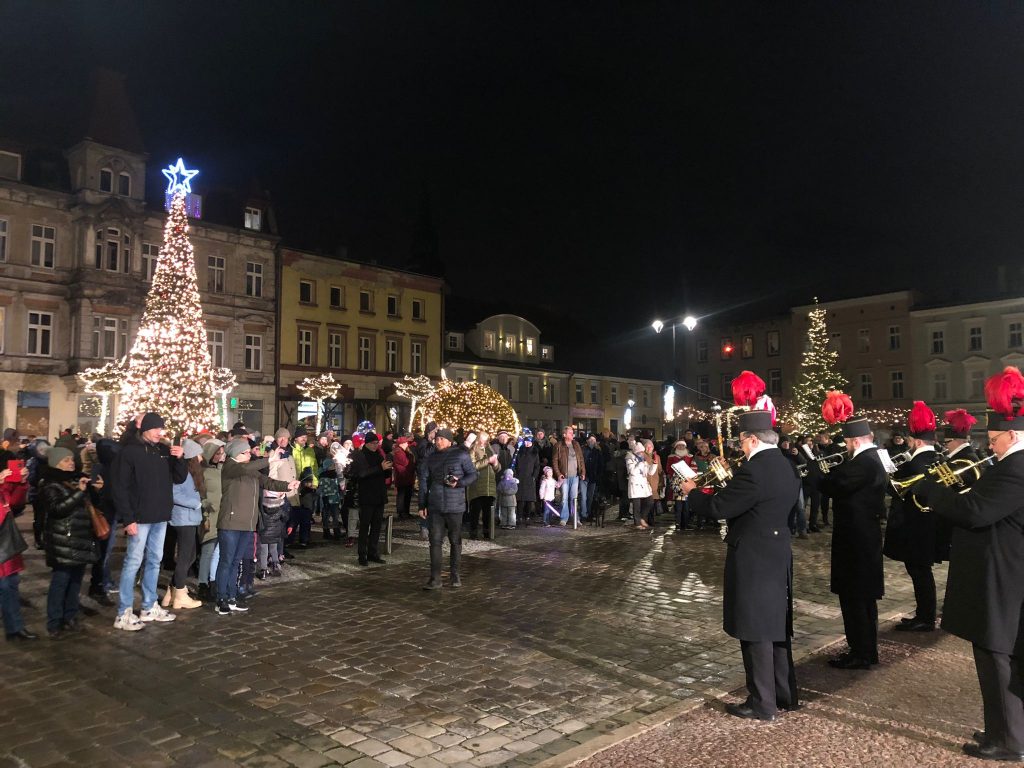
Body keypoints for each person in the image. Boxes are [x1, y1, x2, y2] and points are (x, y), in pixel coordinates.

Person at [913, 366, 1024, 762]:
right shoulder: (1009, 466)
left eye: (993, 440)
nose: (989, 446)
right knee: (996, 656)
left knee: (997, 657)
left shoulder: (1016, 468)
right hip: (1000, 573)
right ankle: (1001, 728)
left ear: (1011, 435)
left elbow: (976, 512)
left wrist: (932, 490)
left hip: (1001, 577)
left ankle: (1008, 740)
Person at [683, 402, 800, 722]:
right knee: (776, 627)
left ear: (751, 439)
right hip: (777, 551)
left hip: (754, 556)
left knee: (755, 629)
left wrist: (693, 492)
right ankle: (783, 693)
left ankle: (762, 702)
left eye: (741, 442)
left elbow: (720, 507)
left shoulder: (754, 470)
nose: (740, 447)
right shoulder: (786, 464)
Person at [818, 393, 887, 670]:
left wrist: (821, 473)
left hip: (856, 541)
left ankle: (861, 652)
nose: (845, 446)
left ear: (855, 440)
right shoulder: (873, 459)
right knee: (863, 600)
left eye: (846, 442)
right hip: (863, 536)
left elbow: (832, 485)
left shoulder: (863, 462)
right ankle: (865, 649)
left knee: (855, 599)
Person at [110, 413, 187, 631]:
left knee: (155, 560)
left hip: (160, 516)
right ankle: (124, 611)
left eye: (161, 429)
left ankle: (149, 605)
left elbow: (179, 478)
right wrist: (128, 518)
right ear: (144, 429)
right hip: (139, 517)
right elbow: (120, 487)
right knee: (133, 561)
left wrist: (180, 459)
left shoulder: (163, 451)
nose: (159, 433)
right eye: (155, 429)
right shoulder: (130, 452)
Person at [883, 401, 947, 633]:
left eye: (910, 441)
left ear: (917, 441)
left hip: (915, 526)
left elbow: (894, 488)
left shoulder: (917, 462)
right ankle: (923, 614)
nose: (908, 444)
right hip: (929, 523)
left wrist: (891, 472)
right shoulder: (938, 458)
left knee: (920, 573)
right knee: (922, 572)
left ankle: (925, 617)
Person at [216, 440, 298, 614]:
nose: (249, 455)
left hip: (247, 523)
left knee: (236, 562)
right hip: (231, 523)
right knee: (226, 561)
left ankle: (231, 596)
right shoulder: (231, 467)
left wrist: (287, 486)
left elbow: (267, 482)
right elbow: (245, 469)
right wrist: (269, 459)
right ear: (236, 453)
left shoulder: (250, 469)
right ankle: (221, 597)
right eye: (245, 452)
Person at [38, 447, 99, 639]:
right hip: (62, 540)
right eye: (66, 460)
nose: (71, 463)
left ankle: (70, 616)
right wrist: (80, 492)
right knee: (60, 582)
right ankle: (54, 622)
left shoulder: (75, 479)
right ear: (56, 463)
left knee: (75, 581)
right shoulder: (50, 484)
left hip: (79, 538)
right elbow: (58, 508)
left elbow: (89, 505)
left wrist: (95, 490)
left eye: (71, 459)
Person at [418, 428, 478, 589]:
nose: (438, 442)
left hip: (455, 506)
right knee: (435, 542)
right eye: (436, 439)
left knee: (455, 541)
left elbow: (473, 474)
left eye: (441, 439)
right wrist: (422, 505)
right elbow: (423, 481)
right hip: (435, 505)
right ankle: (435, 578)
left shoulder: (461, 455)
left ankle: (455, 575)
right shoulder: (430, 458)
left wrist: (458, 482)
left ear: (449, 441)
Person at [161, 439, 204, 610]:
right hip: (184, 518)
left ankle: (171, 592)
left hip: (189, 518)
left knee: (190, 555)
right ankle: (180, 593)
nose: (202, 457)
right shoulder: (183, 472)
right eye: (199, 454)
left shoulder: (190, 472)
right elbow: (174, 494)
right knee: (186, 556)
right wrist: (197, 503)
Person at [0, 467, 36, 641]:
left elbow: (13, 504)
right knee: (7, 586)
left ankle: (15, 628)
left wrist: (20, 484)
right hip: (3, 546)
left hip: (6, 545)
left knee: (11, 585)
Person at [348, 432, 392, 566]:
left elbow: (383, 474)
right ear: (367, 443)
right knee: (365, 526)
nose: (375, 445)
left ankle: (373, 552)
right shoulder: (360, 456)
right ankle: (362, 554)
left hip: (379, 495)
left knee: (377, 526)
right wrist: (380, 468)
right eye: (373, 443)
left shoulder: (378, 455)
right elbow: (362, 473)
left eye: (376, 443)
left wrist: (388, 469)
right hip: (367, 496)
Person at [197, 439, 225, 600]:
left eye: (222, 452)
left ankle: (214, 580)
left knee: (218, 551)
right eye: (217, 452)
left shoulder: (222, 469)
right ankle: (202, 583)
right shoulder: (203, 471)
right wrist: (205, 509)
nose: (220, 456)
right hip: (209, 515)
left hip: (222, 515)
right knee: (207, 550)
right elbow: (200, 493)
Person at [465, 431, 498, 538]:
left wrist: (496, 463)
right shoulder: (473, 449)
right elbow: (472, 466)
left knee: (488, 513)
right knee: (475, 512)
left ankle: (487, 532)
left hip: (490, 487)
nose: (484, 442)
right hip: (477, 486)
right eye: (482, 440)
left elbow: (498, 468)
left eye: (486, 440)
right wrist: (487, 461)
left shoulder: (490, 449)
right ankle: (473, 532)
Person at [552, 426, 586, 525]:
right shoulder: (558, 445)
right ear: (564, 435)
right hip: (564, 477)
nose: (572, 434)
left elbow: (581, 459)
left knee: (574, 498)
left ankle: (576, 518)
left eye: (572, 432)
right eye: (570, 433)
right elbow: (554, 461)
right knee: (564, 498)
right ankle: (564, 518)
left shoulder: (576, 444)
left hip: (575, 476)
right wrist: (558, 474)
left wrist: (583, 472)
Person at [514, 434, 539, 526]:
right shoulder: (519, 452)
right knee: (520, 499)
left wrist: (534, 476)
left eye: (529, 442)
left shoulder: (534, 452)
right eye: (526, 441)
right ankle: (519, 516)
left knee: (529, 499)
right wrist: (516, 475)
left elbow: (537, 466)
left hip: (529, 478)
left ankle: (527, 516)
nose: (527, 443)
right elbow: (515, 464)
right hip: (520, 478)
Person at [392, 436, 416, 519]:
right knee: (402, 495)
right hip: (402, 476)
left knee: (407, 495)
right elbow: (406, 462)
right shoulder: (398, 452)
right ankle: (401, 512)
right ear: (401, 444)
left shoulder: (404, 451)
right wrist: (410, 457)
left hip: (407, 476)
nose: (407, 444)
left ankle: (406, 511)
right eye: (405, 443)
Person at [581, 435, 605, 522]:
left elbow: (600, 464)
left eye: (594, 440)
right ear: (587, 441)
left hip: (593, 476)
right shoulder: (583, 449)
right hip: (584, 476)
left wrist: (599, 475)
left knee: (590, 496)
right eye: (590, 440)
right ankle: (584, 514)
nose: (592, 441)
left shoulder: (597, 451)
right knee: (584, 496)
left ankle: (589, 513)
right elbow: (581, 461)